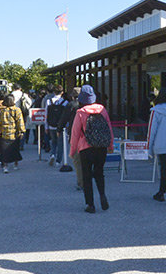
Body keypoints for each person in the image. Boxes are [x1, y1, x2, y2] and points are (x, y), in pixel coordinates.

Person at [70, 85, 114, 214]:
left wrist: (72, 151)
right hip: (101, 147)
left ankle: (90, 204)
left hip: (86, 148)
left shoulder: (80, 112)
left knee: (87, 176)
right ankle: (102, 195)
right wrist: (110, 145)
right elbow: (109, 129)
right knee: (99, 173)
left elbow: (75, 133)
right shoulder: (102, 110)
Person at [0, 94, 25, 173]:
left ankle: (5, 167)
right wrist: (22, 131)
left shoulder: (2, 111)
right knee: (15, 149)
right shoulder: (17, 110)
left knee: (5, 151)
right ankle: (15, 165)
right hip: (14, 133)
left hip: (5, 133)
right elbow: (20, 122)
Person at [59, 87, 81, 187]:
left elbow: (64, 118)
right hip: (89, 135)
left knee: (77, 160)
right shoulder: (89, 105)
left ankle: (81, 182)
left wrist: (59, 129)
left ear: (72, 96)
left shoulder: (71, 105)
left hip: (75, 134)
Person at [45, 84, 67, 167]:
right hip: (61, 126)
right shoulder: (65, 103)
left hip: (51, 125)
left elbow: (46, 114)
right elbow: (66, 116)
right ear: (62, 92)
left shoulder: (48, 101)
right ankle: (58, 161)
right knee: (60, 143)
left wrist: (46, 126)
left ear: (54, 92)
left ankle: (52, 154)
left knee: (53, 142)